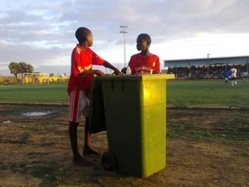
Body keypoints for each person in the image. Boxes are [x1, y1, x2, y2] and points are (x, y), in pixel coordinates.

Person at [67, 27, 121, 166]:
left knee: (89, 118)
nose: (93, 39)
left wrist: (115, 69)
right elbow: (78, 72)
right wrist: (96, 71)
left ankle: (87, 147)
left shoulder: (89, 52)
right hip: (77, 89)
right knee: (74, 122)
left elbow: (102, 61)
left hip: (87, 90)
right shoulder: (77, 51)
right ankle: (76, 156)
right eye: (91, 36)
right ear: (86, 37)